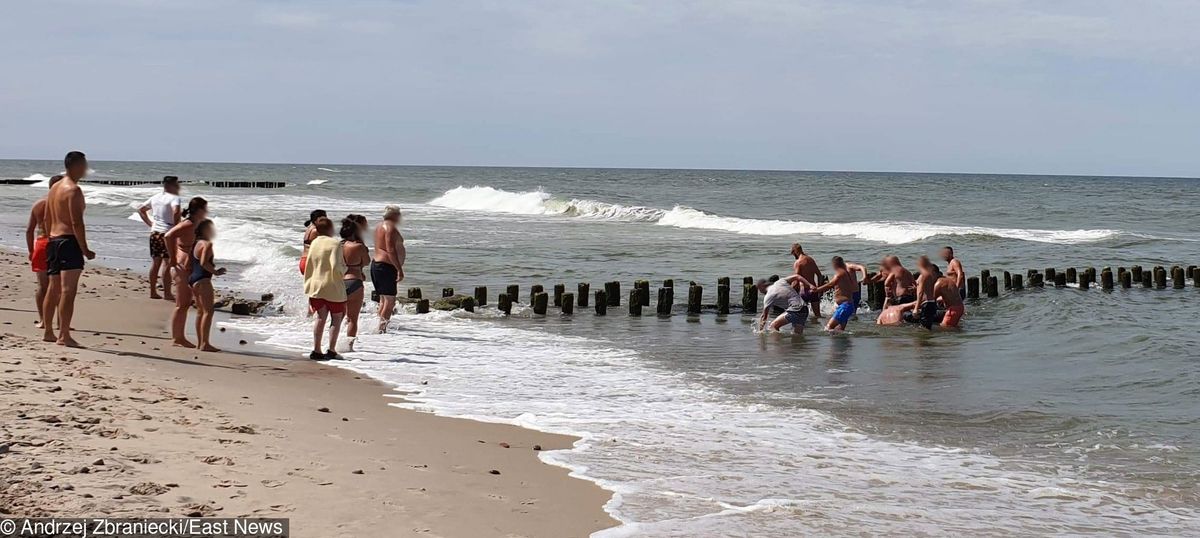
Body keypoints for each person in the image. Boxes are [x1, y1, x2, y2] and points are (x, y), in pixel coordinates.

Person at [42, 152, 96, 347]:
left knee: (53, 287)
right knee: (67, 290)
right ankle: (64, 334)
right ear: (76, 165)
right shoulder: (73, 190)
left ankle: (48, 330)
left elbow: (47, 217)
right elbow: (77, 222)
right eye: (84, 165)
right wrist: (85, 249)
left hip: (54, 241)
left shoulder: (55, 187)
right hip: (68, 241)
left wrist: (49, 237)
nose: (86, 168)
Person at [163, 197, 209, 348]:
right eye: (205, 209)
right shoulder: (188, 224)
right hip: (181, 266)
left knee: (186, 302)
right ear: (199, 210)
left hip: (190, 266)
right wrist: (172, 258)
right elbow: (168, 236)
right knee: (182, 303)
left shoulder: (197, 224)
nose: (207, 212)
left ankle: (181, 337)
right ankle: (177, 338)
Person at [303, 217, 348, 361]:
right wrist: (344, 269)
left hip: (315, 285)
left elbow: (309, 263)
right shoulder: (335, 243)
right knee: (336, 318)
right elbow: (336, 266)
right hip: (332, 285)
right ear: (330, 229)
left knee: (320, 318)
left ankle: (316, 349)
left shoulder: (314, 242)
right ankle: (331, 349)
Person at [26, 175, 64, 328]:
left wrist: (30, 250)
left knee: (43, 285)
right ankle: (61, 322)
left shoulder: (38, 204)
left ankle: (43, 320)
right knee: (60, 286)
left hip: (41, 244)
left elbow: (29, 230)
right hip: (59, 243)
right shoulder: (64, 205)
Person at [136, 176, 182, 300]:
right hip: (167, 233)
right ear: (172, 185)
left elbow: (141, 209)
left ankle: (152, 291)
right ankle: (167, 293)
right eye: (177, 184)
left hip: (155, 232)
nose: (179, 186)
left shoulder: (156, 197)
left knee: (156, 262)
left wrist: (150, 223)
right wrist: (176, 226)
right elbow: (176, 211)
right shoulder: (174, 198)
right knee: (167, 262)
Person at [190, 219, 226, 352]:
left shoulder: (196, 243)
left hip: (193, 279)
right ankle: (205, 343)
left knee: (200, 312)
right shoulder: (207, 244)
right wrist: (216, 272)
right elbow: (204, 262)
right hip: (203, 279)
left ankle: (200, 342)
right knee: (208, 311)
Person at [370, 205, 406, 333]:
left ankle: (378, 328)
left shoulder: (379, 226)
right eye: (398, 214)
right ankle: (381, 330)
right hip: (385, 266)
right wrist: (399, 269)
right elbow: (390, 250)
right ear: (394, 215)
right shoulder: (389, 228)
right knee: (390, 301)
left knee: (384, 299)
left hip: (378, 265)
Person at [340, 214, 370, 350]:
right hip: (355, 281)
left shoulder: (339, 245)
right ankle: (349, 347)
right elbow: (367, 261)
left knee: (337, 318)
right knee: (352, 318)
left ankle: (331, 344)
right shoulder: (358, 246)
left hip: (340, 282)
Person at [815, 256, 866, 333]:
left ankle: (849, 335)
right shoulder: (845, 273)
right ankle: (843, 344)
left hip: (845, 306)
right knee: (839, 330)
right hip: (847, 306)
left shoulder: (840, 274)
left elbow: (830, 284)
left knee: (828, 328)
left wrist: (816, 290)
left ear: (835, 265)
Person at [790, 243, 823, 319]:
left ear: (795, 251)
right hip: (814, 290)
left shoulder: (798, 263)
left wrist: (789, 291)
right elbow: (819, 275)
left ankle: (804, 329)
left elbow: (796, 280)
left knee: (799, 315)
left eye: (793, 253)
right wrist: (819, 289)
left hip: (804, 291)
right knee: (818, 315)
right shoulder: (811, 260)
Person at [300, 209, 326, 274]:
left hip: (304, 260)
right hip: (310, 262)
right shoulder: (316, 230)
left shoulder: (309, 228)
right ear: (317, 219)